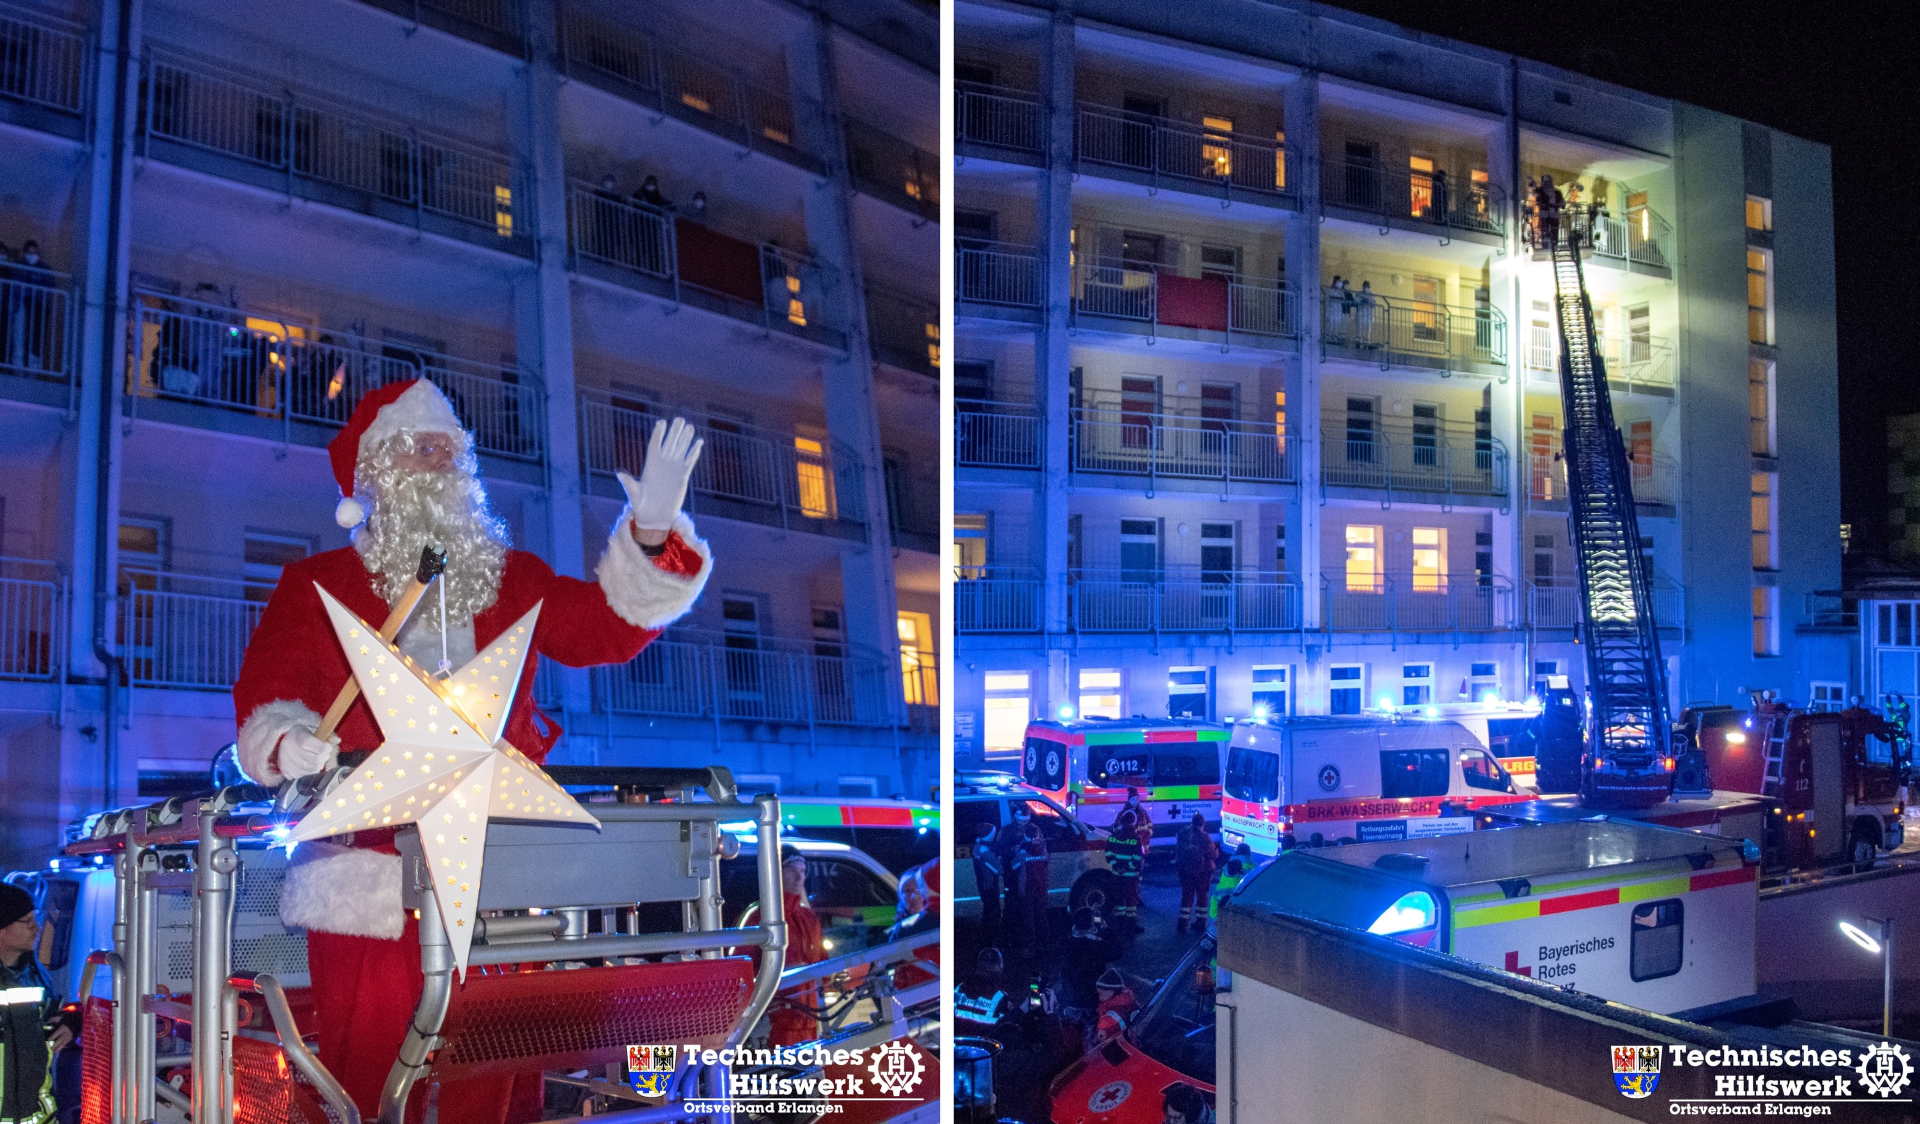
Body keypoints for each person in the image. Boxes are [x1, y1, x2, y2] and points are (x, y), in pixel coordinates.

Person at [231, 379, 713, 1124]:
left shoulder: (511, 579)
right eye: (424, 449)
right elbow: (272, 692)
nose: (444, 462)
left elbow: (604, 632)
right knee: (374, 1071)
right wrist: (287, 739)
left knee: (493, 1076)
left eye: (453, 450)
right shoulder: (316, 584)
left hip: (498, 875)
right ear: (377, 470)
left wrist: (651, 532)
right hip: (372, 881)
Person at [0, 883, 67, 1124]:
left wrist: (70, 1023)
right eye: (27, 921)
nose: (37, 928)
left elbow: (52, 1022)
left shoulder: (35, 976)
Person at [765, 848, 825, 1046]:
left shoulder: (809, 919)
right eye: (792, 869)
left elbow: (823, 966)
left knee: (811, 1076)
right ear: (775, 871)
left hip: (809, 1024)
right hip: (775, 1027)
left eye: (803, 870)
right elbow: (744, 973)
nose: (800, 877)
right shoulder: (760, 918)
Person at [1057, 907, 1116, 1029]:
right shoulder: (1097, 945)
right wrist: (1105, 930)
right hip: (1094, 1001)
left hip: (1071, 999)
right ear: (1091, 924)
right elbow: (1117, 951)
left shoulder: (1065, 944)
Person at [1174, 812, 1218, 933]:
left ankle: (1182, 924)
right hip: (1202, 873)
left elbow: (1178, 852)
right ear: (1202, 824)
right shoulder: (1204, 837)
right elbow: (1213, 854)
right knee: (1202, 897)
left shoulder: (1183, 834)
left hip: (1186, 873)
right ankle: (1201, 922)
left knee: (1186, 897)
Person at [1104, 810, 1144, 933]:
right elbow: (1138, 857)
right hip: (1131, 876)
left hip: (1117, 874)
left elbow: (1108, 854)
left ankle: (1120, 925)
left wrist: (1117, 867)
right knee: (1131, 900)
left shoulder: (1113, 837)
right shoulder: (1135, 838)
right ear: (1133, 822)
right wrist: (1128, 868)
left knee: (1119, 899)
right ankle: (1131, 926)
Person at [1013, 820, 1050, 949]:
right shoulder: (1043, 851)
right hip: (1042, 887)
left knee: (1028, 918)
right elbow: (1046, 864)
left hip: (1027, 888)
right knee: (1041, 915)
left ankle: (1029, 946)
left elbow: (1014, 866)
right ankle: (1045, 943)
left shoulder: (1023, 853)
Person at [955, 947, 1009, 1028]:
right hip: (984, 1040)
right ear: (998, 967)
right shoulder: (1000, 997)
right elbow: (1007, 1027)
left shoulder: (959, 988)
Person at [970, 820, 1004, 941]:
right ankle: (991, 940)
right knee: (992, 911)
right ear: (990, 835)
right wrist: (1000, 858)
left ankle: (986, 937)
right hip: (989, 885)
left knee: (988, 910)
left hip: (984, 884)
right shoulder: (984, 851)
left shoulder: (978, 846)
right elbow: (998, 869)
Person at [1209, 846, 1254, 926]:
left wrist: (1214, 915)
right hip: (1243, 918)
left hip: (1222, 914)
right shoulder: (1255, 870)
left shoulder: (1226, 868)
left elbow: (1216, 893)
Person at [1091, 966, 1137, 1043]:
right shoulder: (1128, 1002)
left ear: (1112, 992)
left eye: (1101, 994)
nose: (1099, 998)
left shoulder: (1110, 1015)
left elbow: (1101, 1040)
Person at [1356, 280, 1377, 347]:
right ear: (1363, 286)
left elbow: (1373, 304)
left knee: (1368, 329)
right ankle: (1358, 341)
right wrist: (1363, 299)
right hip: (1361, 312)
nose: (1366, 287)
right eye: (1365, 286)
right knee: (1359, 328)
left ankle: (1366, 342)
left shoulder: (1371, 295)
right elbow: (1356, 300)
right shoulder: (1359, 293)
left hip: (1368, 313)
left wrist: (1369, 301)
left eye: (1367, 286)